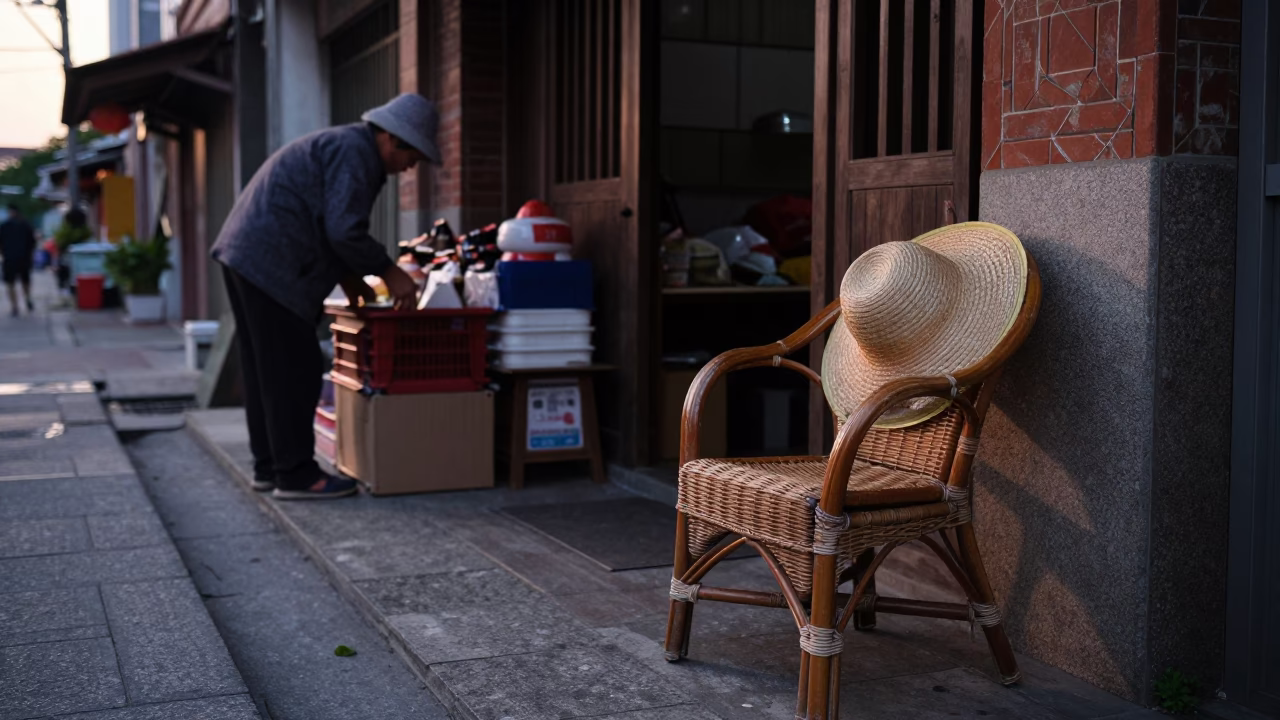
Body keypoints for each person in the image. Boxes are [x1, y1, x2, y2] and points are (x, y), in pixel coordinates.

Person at [212, 93, 440, 500]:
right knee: (293, 369)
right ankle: (297, 475)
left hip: (245, 255)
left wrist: (354, 283)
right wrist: (391, 273)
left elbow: (329, 226)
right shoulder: (358, 154)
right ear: (390, 138)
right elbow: (343, 231)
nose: (411, 167)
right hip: (270, 261)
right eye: (413, 155)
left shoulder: (344, 145)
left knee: (266, 370)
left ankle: (270, 467)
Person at [0, 204, 37, 317]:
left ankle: (16, 305)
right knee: (23, 281)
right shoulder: (26, 225)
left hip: (10, 258)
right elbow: (32, 242)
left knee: (11, 283)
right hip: (23, 258)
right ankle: (26, 299)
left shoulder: (4, 226)